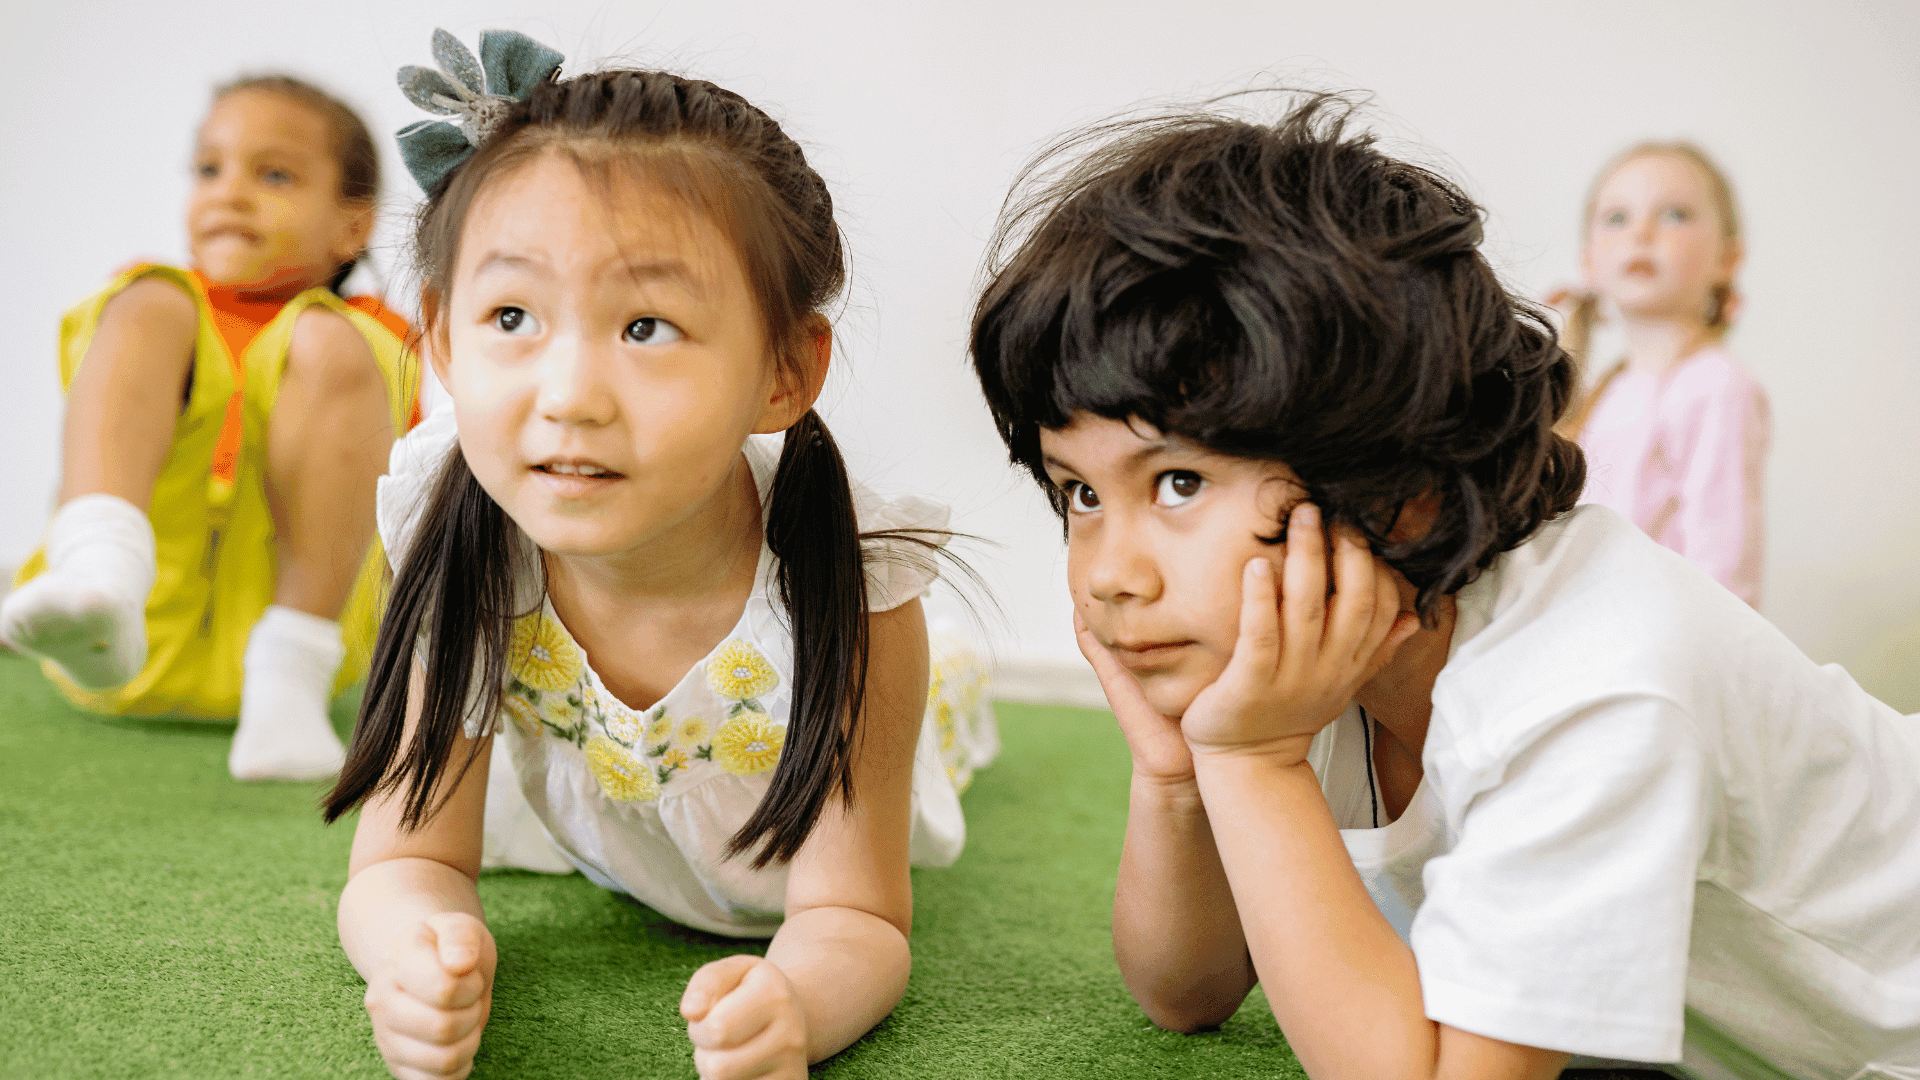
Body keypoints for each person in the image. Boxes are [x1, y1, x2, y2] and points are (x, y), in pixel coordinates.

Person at [969, 96, 1920, 1079]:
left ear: (1401, 487)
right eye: (1080, 492)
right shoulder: (1329, 635)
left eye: (1178, 484)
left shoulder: (1592, 687)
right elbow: (1187, 991)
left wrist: (1255, 767)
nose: (1110, 574)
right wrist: (1181, 774)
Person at [322, 31, 995, 1080]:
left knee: (947, 697)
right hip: (608, 807)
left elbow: (857, 916)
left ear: (783, 371)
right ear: (445, 344)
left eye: (646, 326)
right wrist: (411, 955)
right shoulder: (457, 538)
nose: (570, 396)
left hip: (806, 754)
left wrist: (798, 1004)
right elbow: (404, 856)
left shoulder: (850, 595)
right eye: (512, 316)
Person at [0, 74, 417, 781]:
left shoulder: (374, 342)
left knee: (334, 340)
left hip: (299, 646)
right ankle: (99, 567)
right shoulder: (161, 310)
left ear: (353, 224)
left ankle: (288, 680)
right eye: (208, 169)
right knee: (147, 298)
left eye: (275, 174)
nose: (229, 192)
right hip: (134, 620)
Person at [1551, 143, 1768, 607]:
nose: (1642, 233)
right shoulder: (1601, 395)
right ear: (1589, 261)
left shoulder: (1714, 385)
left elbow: (1724, 566)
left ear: (1728, 258)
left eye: (1674, 214)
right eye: (1616, 218)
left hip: (1659, 651)